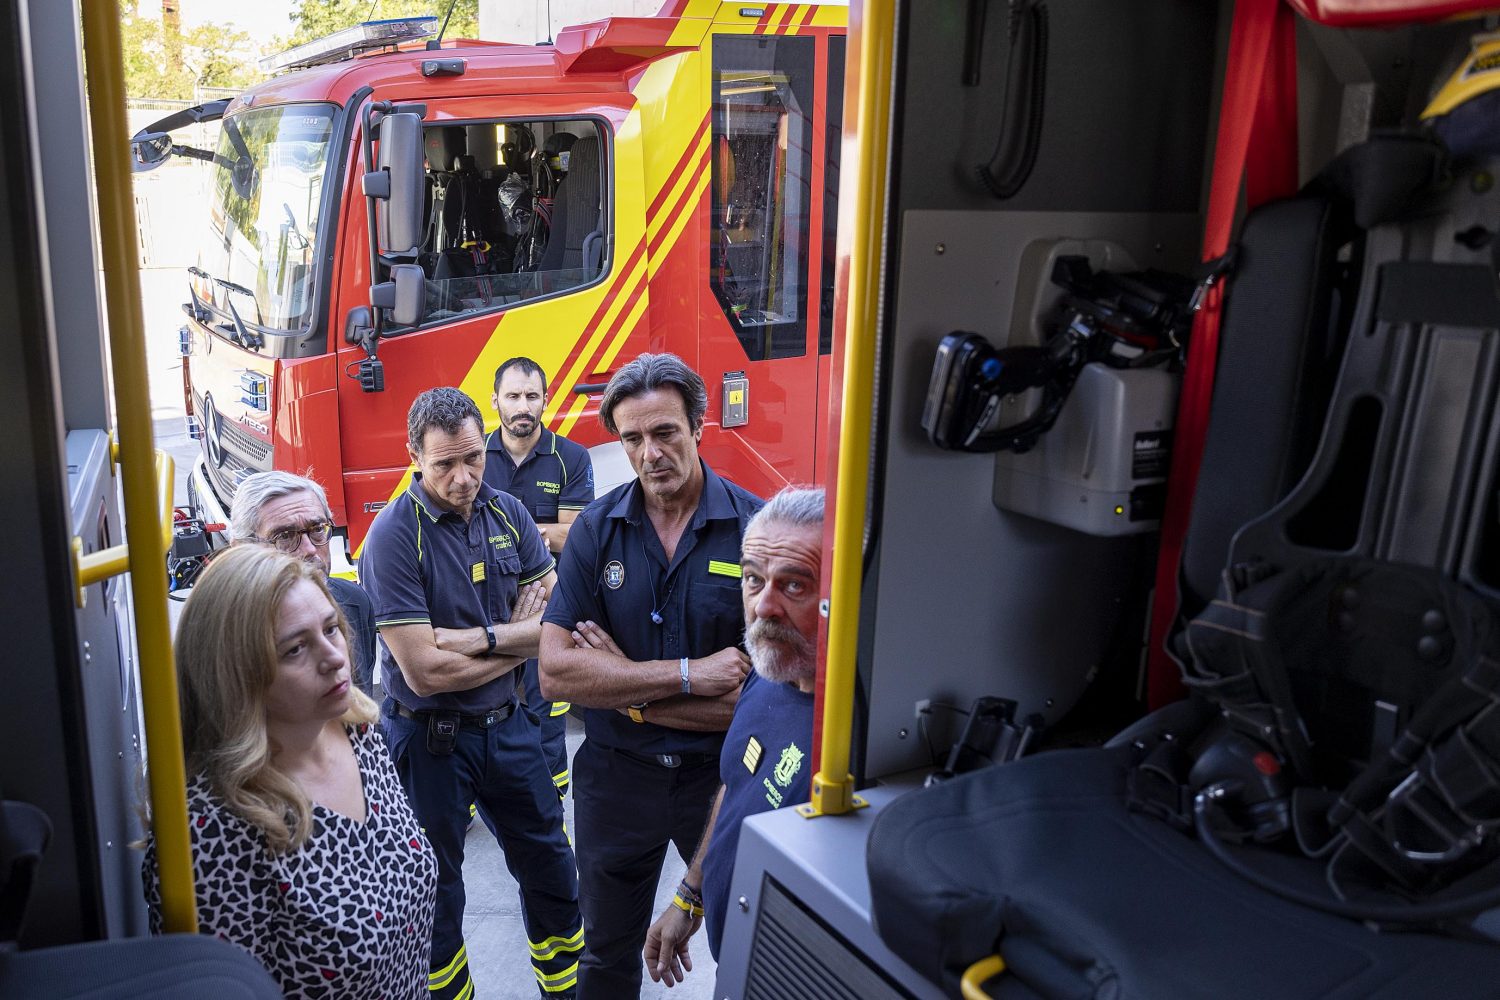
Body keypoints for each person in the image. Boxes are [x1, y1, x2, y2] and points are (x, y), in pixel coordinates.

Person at [538, 352, 765, 1000]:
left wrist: (619, 686)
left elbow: (758, 704)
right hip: (617, 781)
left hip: (719, 778)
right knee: (605, 958)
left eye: (665, 432)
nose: (649, 453)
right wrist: (687, 674)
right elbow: (555, 673)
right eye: (632, 438)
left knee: (740, 947)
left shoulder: (755, 529)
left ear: (699, 426)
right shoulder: (595, 529)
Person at [360, 386, 584, 1000]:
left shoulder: (509, 513)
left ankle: (564, 990)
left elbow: (554, 629)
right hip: (431, 745)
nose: (463, 478)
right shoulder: (391, 537)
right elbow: (423, 674)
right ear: (414, 456)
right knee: (436, 893)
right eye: (444, 465)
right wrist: (516, 639)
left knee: (552, 869)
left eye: (472, 459)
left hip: (511, 729)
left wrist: (467, 640)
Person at [143, 545, 438, 999]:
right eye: (295, 648)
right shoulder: (211, 826)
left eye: (331, 629)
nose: (334, 657)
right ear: (235, 674)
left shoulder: (358, 731)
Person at [641, 487, 824, 985]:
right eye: (753, 579)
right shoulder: (766, 676)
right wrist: (689, 894)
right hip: (736, 962)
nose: (763, 606)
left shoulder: (854, 732)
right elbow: (736, 785)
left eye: (794, 586)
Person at [484, 356, 594, 800]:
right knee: (484, 700)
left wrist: (502, 532)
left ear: (546, 400)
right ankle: (482, 794)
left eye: (532, 396)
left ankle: (552, 797)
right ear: (495, 400)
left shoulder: (571, 457)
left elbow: (574, 536)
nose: (522, 405)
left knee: (546, 703)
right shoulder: (476, 455)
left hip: (549, 605)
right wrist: (539, 532)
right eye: (513, 396)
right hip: (485, 603)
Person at [231, 470, 378, 699]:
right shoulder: (225, 637)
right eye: (285, 536)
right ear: (241, 549)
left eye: (318, 529)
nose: (309, 549)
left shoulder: (355, 601)